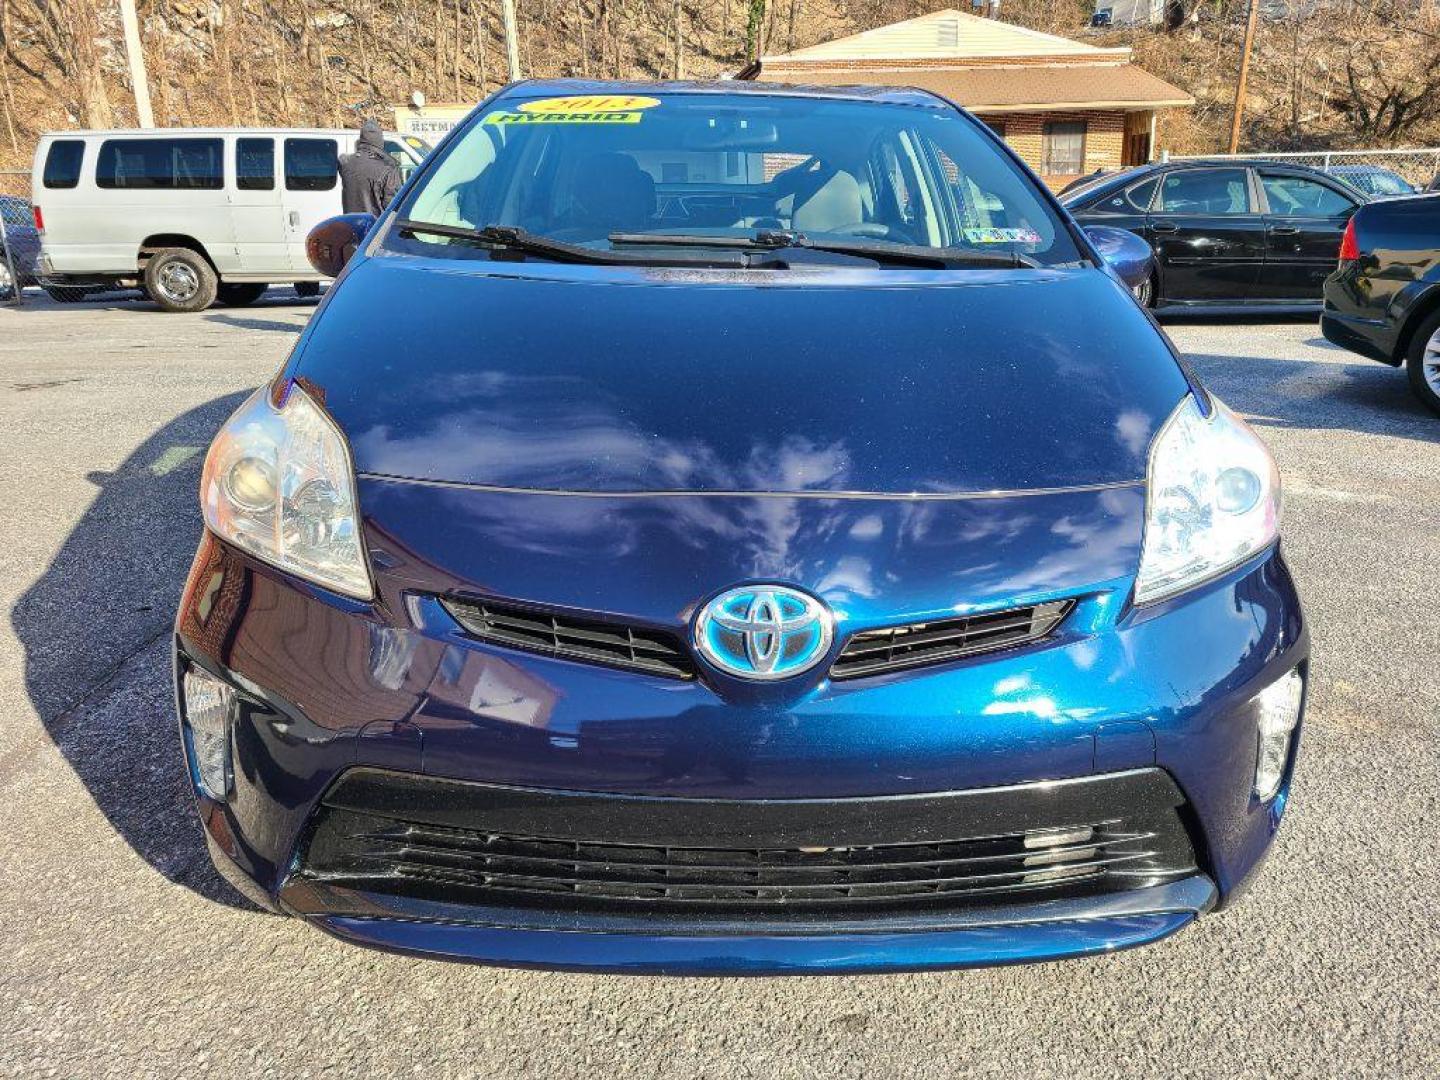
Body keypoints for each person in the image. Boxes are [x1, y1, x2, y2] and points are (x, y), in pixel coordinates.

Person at [339, 119, 402, 215]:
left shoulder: (346, 163)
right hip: (375, 226)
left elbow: (342, 159)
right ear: (379, 140)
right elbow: (392, 207)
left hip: (351, 223)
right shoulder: (387, 169)